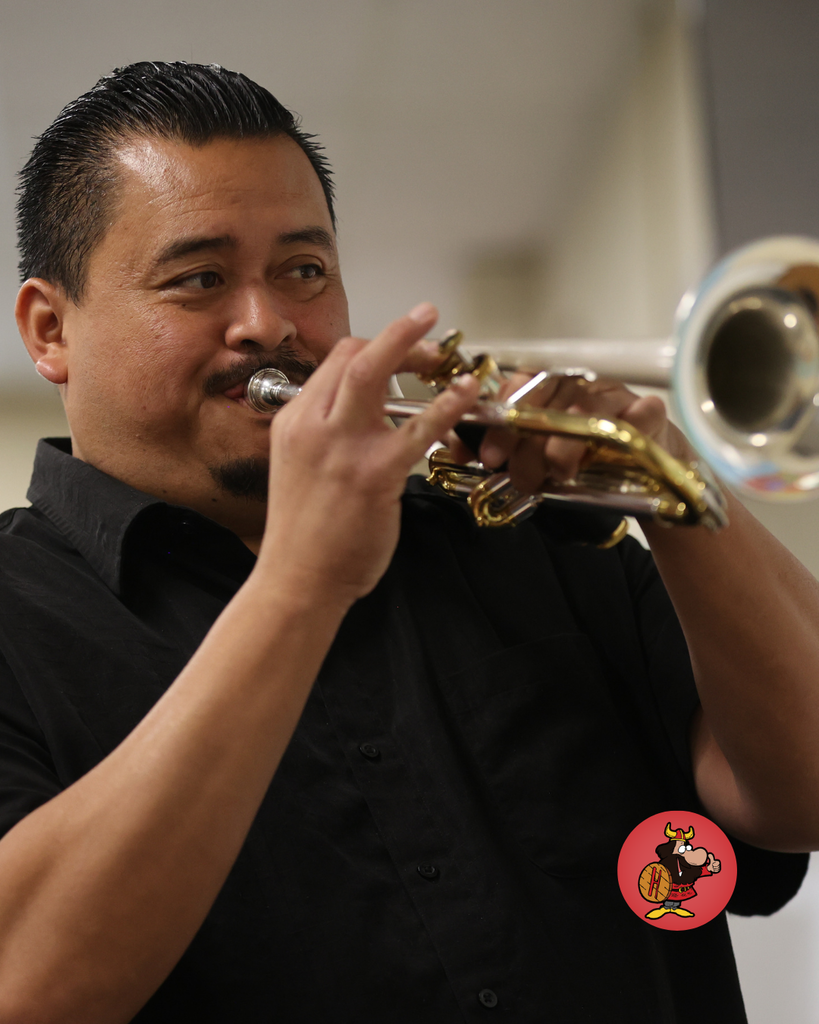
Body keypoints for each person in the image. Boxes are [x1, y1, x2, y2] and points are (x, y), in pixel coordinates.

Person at [0, 60, 816, 1023]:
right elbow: (28, 986)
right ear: (50, 331)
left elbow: (798, 798)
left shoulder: (534, 535)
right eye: (200, 280)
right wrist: (300, 583)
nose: (267, 323)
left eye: (303, 271)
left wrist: (671, 484)